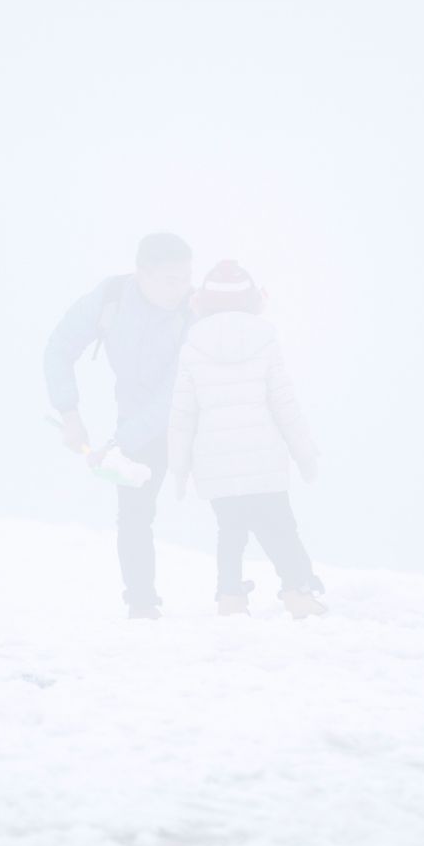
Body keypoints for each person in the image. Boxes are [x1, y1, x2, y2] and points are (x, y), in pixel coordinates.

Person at [45, 233, 195, 619]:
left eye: (185, 278)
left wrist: (117, 443)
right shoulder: (109, 298)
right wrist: (69, 414)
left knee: (239, 503)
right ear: (141, 275)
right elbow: (59, 347)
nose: (180, 289)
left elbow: (171, 398)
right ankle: (142, 606)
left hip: (191, 422)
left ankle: (267, 592)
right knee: (133, 516)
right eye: (169, 280)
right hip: (133, 421)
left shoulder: (192, 314)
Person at [168, 260, 326, 618]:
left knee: (230, 532)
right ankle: (298, 594)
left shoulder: (192, 348)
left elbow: (182, 415)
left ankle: (230, 600)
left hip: (215, 460)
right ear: (253, 300)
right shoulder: (265, 341)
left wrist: (178, 468)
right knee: (282, 527)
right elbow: (284, 403)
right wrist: (305, 453)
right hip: (263, 457)